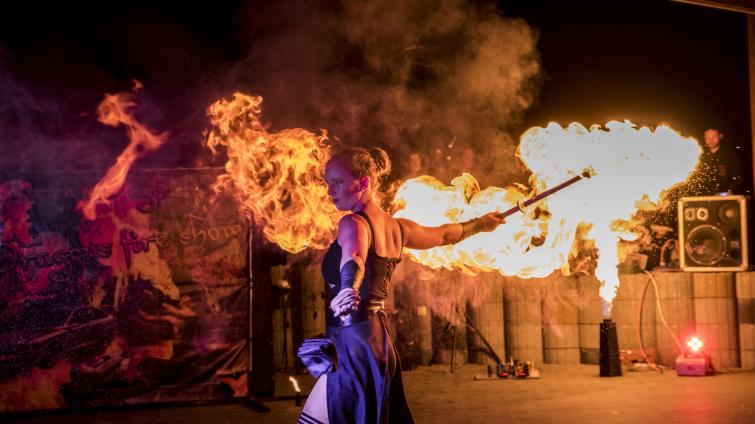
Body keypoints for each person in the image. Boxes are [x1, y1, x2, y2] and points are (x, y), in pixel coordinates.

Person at [298, 146, 505, 424]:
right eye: (328, 183)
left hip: (355, 345)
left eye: (338, 182)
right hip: (377, 342)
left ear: (364, 183)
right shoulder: (398, 228)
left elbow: (355, 256)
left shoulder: (353, 223)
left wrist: (349, 286)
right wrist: (480, 224)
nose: (329, 190)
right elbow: (444, 235)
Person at [698, 128, 743, 194]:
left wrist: (730, 192)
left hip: (724, 198)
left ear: (720, 136)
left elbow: (738, 177)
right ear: (704, 138)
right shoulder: (700, 156)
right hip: (703, 198)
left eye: (714, 137)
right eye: (707, 137)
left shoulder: (729, 156)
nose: (711, 140)